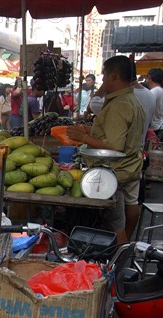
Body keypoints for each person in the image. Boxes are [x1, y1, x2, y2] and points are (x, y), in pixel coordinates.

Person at [67, 55, 145, 244]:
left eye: (103, 76)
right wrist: (92, 131)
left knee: (114, 222)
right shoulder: (131, 100)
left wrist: (83, 137)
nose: (102, 81)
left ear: (114, 76)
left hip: (115, 170)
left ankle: (119, 258)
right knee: (130, 205)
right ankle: (125, 249)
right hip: (131, 165)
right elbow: (118, 135)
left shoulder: (119, 105)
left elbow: (114, 147)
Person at [146, 68, 163, 140]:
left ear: (149, 78)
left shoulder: (154, 91)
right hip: (159, 125)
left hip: (154, 128)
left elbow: (147, 110)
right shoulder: (160, 90)